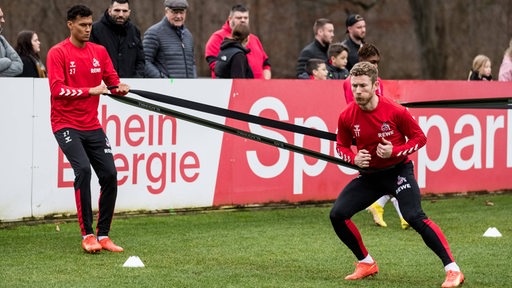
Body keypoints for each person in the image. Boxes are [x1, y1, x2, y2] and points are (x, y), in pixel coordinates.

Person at [330, 61, 464, 288]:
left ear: (375, 86)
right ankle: (366, 262)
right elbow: (340, 146)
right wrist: (353, 158)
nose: (358, 92)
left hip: (398, 172)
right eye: (354, 86)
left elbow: (420, 138)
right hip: (370, 176)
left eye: (363, 86)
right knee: (337, 214)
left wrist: (396, 150)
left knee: (414, 216)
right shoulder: (346, 115)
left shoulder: (395, 111)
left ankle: (453, 270)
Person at [46, 4, 129, 253]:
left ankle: (104, 235)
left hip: (92, 125)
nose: (87, 29)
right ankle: (88, 235)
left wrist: (120, 87)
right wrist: (88, 91)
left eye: (90, 25)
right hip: (65, 123)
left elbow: (112, 82)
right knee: (83, 170)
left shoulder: (100, 51)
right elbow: (57, 90)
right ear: (70, 25)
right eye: (82, 25)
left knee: (111, 175)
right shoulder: (57, 53)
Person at [343, 43, 408, 229]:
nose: (376, 66)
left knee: (390, 170)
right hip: (367, 130)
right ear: (361, 62)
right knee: (390, 171)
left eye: (377, 62)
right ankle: (400, 213)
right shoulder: (352, 82)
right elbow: (355, 107)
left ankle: (381, 206)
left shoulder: (374, 79)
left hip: (378, 127)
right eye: (372, 62)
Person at [205, 4, 271, 79]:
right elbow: (214, 64)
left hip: (258, 87)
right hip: (232, 87)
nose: (243, 20)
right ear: (230, 19)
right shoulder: (217, 37)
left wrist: (265, 82)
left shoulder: (254, 39)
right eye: (239, 18)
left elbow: (266, 64)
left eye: (246, 18)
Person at [90, 0, 145, 78]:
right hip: (103, 84)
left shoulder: (134, 31)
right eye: (117, 10)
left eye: (124, 11)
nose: (121, 14)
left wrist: (137, 78)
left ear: (129, 12)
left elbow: (140, 60)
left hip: (130, 84)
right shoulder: (95, 30)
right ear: (109, 11)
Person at [143, 0, 196, 78]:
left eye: (182, 12)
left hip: (187, 88)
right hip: (164, 89)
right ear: (166, 11)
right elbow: (144, 61)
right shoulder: (154, 32)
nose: (178, 16)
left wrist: (194, 80)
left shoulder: (188, 35)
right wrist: (163, 80)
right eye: (175, 12)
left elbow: (192, 63)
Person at [0, 7, 23, 77]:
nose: (3, 21)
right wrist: (7, 61)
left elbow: (19, 66)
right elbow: (6, 62)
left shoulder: (1, 39)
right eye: (0, 17)